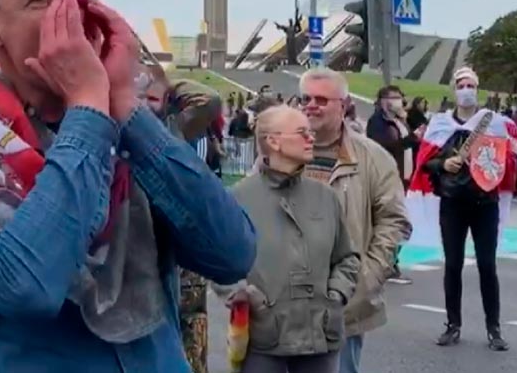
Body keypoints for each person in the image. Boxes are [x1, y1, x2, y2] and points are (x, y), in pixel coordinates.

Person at [0, 0, 256, 373]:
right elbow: (25, 284)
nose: (75, 14)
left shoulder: (129, 127)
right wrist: (89, 107)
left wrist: (124, 105)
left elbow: (231, 253)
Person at [215, 106, 361, 373]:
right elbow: (218, 263)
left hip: (321, 336)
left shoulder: (325, 196)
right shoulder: (236, 200)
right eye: (302, 133)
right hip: (264, 340)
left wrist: (336, 294)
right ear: (273, 141)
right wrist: (248, 297)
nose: (311, 138)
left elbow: (348, 258)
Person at [298, 68, 410, 373]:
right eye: (305, 98)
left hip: (343, 304)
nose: (311, 105)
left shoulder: (372, 158)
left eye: (321, 99)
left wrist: (366, 279)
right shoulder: (279, 151)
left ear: (345, 104)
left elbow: (394, 221)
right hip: (284, 304)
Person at [410, 66, 509, 351]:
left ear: (477, 89)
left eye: (471, 85)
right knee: (452, 265)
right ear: (454, 90)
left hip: (484, 204)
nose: (466, 90)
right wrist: (444, 164)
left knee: (487, 266)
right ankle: (453, 325)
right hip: (452, 203)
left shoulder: (494, 123)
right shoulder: (440, 124)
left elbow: (505, 162)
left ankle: (494, 329)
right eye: (461, 85)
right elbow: (425, 162)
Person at [138, 62, 225, 373]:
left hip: (178, 252)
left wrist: (166, 83)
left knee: (186, 339)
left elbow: (209, 99)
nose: (143, 106)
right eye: (138, 97)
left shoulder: (174, 129)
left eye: (151, 99)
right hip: (134, 255)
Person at [365, 85, 423, 285]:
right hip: (388, 176)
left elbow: (409, 144)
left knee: (402, 221)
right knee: (393, 221)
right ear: (383, 101)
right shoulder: (377, 122)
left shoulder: (400, 121)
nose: (398, 101)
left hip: (406, 175)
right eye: (393, 97)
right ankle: (387, 263)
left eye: (400, 97)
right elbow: (386, 146)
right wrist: (412, 137)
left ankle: (391, 260)